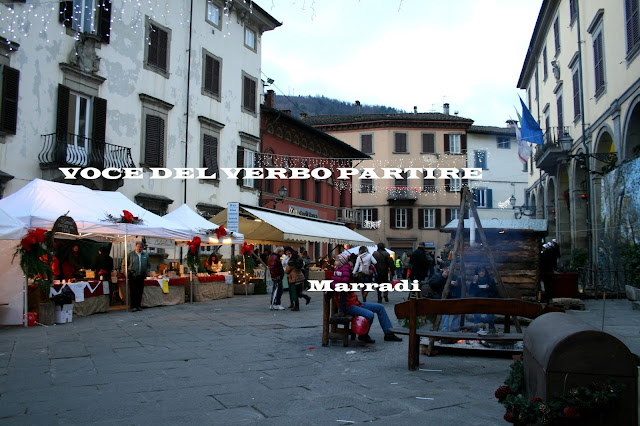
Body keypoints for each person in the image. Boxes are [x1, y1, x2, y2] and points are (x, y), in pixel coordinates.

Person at [332, 254, 402, 344]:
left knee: (380, 307)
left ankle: (389, 333)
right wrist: (342, 309)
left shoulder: (347, 275)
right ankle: (363, 335)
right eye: (351, 266)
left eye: (353, 266)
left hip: (355, 303)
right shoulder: (342, 276)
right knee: (369, 315)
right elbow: (341, 294)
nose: (353, 268)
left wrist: (356, 277)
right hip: (349, 306)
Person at [469, 265, 499, 332]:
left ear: (485, 271)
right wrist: (474, 282)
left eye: (482, 271)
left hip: (488, 300)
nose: (481, 273)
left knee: (490, 315)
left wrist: (488, 288)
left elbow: (495, 291)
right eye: (479, 272)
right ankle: (477, 329)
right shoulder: (475, 280)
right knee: (477, 315)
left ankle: (491, 328)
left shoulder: (490, 280)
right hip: (478, 300)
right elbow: (471, 291)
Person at [123, 242, 150, 312]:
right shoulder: (130, 254)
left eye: (140, 247)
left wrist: (146, 272)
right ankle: (133, 306)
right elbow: (124, 264)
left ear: (143, 247)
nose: (139, 248)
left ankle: (138, 305)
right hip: (133, 275)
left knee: (140, 291)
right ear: (135, 246)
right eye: (137, 247)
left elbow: (148, 265)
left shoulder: (146, 255)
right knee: (133, 291)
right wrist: (127, 273)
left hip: (141, 275)